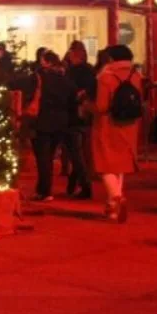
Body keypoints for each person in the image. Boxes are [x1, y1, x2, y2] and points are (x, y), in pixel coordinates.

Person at [92, 44, 142, 223]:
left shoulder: (105, 76)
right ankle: (112, 207)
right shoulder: (135, 75)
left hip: (108, 125)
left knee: (105, 165)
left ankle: (116, 198)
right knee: (120, 165)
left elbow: (102, 106)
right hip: (129, 125)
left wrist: (87, 106)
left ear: (111, 58)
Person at [30, 51, 78, 201]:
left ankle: (44, 190)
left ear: (47, 62)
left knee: (43, 158)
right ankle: (44, 190)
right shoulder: (66, 79)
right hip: (61, 122)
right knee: (50, 155)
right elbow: (73, 100)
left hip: (43, 120)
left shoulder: (40, 78)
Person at [65, 41, 96, 198]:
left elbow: (69, 92)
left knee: (75, 152)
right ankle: (75, 182)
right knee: (80, 151)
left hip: (73, 114)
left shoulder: (71, 72)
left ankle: (84, 185)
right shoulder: (90, 70)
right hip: (86, 114)